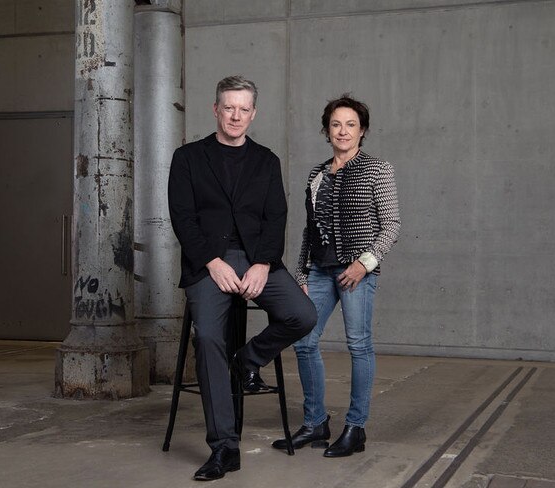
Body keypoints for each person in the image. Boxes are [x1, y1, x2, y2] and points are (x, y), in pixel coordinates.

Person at [168, 75, 317, 481]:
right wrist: (211, 262)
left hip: (256, 260)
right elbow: (182, 218)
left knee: (302, 314)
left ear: (254, 113)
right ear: (216, 109)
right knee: (210, 338)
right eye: (228, 107)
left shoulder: (266, 160)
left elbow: (276, 218)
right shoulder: (188, 158)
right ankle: (224, 448)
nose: (236, 115)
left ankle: (246, 360)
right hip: (208, 262)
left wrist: (263, 264)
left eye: (244, 109)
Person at [272, 94, 400, 457]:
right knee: (304, 341)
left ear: (363, 131)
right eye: (335, 124)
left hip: (356, 272)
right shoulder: (316, 174)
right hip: (319, 271)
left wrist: (365, 263)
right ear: (326, 130)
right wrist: (300, 272)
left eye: (351, 125)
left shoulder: (378, 169)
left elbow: (391, 225)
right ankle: (315, 423)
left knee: (358, 345)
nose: (343, 131)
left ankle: (356, 427)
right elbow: (308, 231)